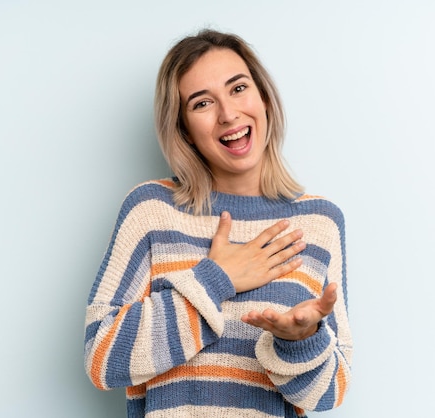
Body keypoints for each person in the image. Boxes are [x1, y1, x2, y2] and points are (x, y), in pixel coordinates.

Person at [84, 29, 352, 418]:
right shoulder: (151, 212)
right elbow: (101, 359)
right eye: (202, 103)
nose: (228, 114)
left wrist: (300, 340)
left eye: (238, 88)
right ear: (185, 131)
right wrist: (217, 279)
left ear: (263, 98)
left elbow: (330, 395)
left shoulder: (320, 223)